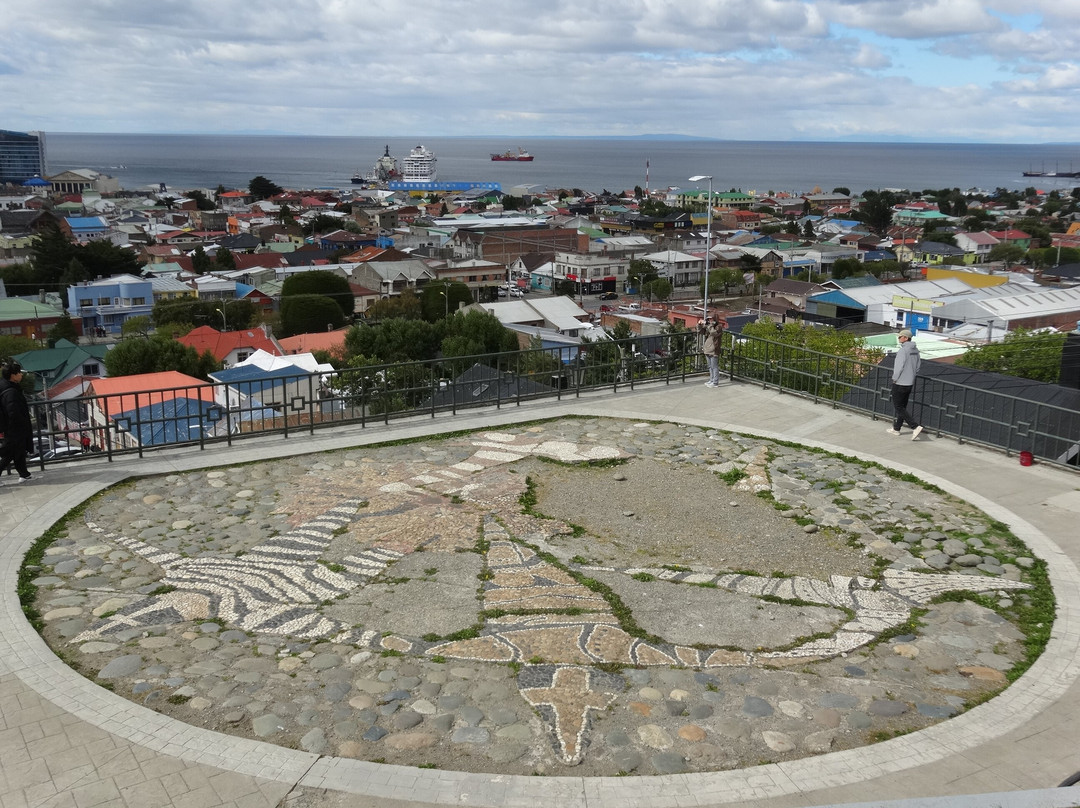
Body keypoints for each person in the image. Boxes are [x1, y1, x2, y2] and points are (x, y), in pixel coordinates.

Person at [0, 361, 35, 482]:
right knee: (10, 454)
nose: (21, 375)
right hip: (14, 428)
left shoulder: (6, 386)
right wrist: (21, 425)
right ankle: (24, 474)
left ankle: (24, 475)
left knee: (19, 451)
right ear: (13, 375)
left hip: (12, 428)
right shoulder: (11, 392)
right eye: (19, 373)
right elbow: (13, 412)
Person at [887, 329, 924, 441]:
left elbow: (899, 367)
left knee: (898, 407)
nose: (899, 338)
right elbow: (918, 366)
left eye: (900, 336)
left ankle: (915, 426)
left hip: (900, 382)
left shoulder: (903, 351)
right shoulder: (915, 350)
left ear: (906, 338)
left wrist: (894, 379)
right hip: (909, 382)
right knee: (902, 406)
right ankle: (896, 429)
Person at [698, 318, 722, 388]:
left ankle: (715, 382)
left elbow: (713, 333)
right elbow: (699, 331)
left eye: (711, 320)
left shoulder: (718, 328)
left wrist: (710, 325)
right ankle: (711, 380)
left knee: (714, 366)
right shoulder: (709, 328)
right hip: (707, 349)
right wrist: (700, 324)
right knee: (710, 366)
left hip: (714, 350)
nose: (710, 322)